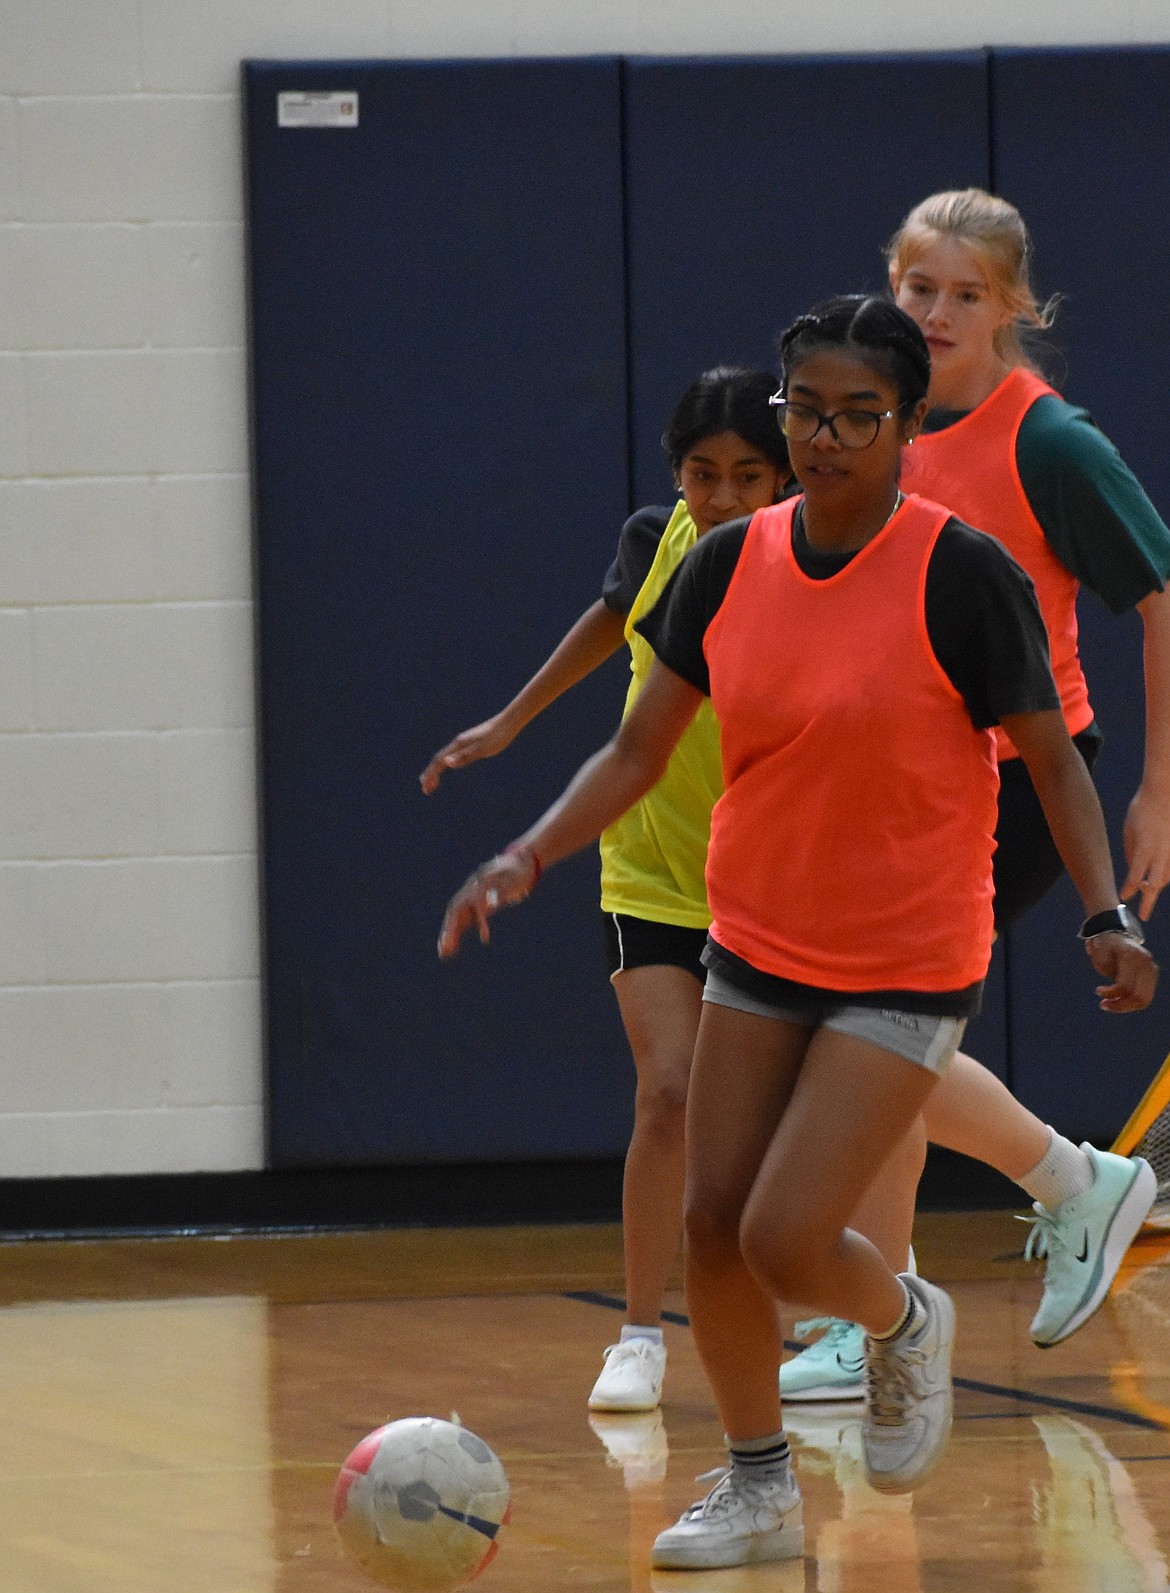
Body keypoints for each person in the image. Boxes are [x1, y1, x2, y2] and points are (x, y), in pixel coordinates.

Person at [436, 295, 1157, 1569]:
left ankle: (904, 1316)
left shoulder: (961, 572)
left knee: (782, 1235)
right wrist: (526, 851)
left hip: (909, 953)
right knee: (716, 1227)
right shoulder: (723, 565)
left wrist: (1103, 912)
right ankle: (759, 1486)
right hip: (757, 939)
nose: (826, 438)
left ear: (906, 423)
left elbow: (1052, 758)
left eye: (858, 416)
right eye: (806, 412)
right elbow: (639, 746)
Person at [782, 189, 1170, 1403]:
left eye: (964, 294)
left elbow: (1159, 598)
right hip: (897, 781)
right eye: (917, 287)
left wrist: (1159, 789)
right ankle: (1067, 1189)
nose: (936, 312)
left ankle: (882, 1307)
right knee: (864, 1040)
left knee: (870, 1039)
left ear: (1014, 308)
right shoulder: (875, 419)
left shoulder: (1048, 442)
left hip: (1011, 782)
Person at [421, 368, 793, 1413]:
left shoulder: (806, 561)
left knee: (778, 1117)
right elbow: (609, 619)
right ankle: (638, 1331)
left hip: (769, 872)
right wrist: (511, 721)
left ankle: (811, 1316)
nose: (721, 496)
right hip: (651, 867)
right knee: (669, 1092)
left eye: (746, 476)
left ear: (782, 477)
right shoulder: (657, 539)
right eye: (701, 474)